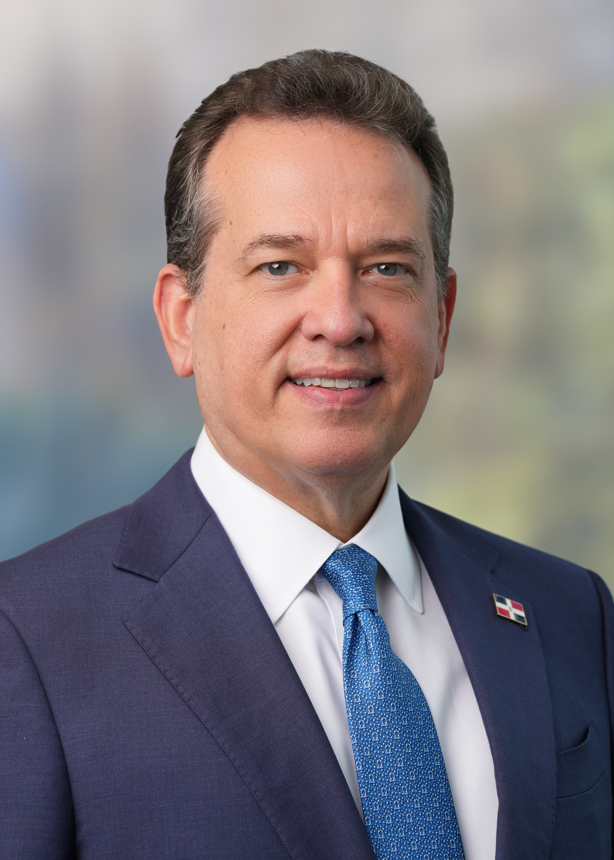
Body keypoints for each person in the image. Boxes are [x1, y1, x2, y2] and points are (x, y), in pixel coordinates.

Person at [0, 50, 612, 860]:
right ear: (182, 318)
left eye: (386, 268)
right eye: (280, 266)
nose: (340, 319)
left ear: (442, 318)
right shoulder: (26, 637)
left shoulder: (571, 614)